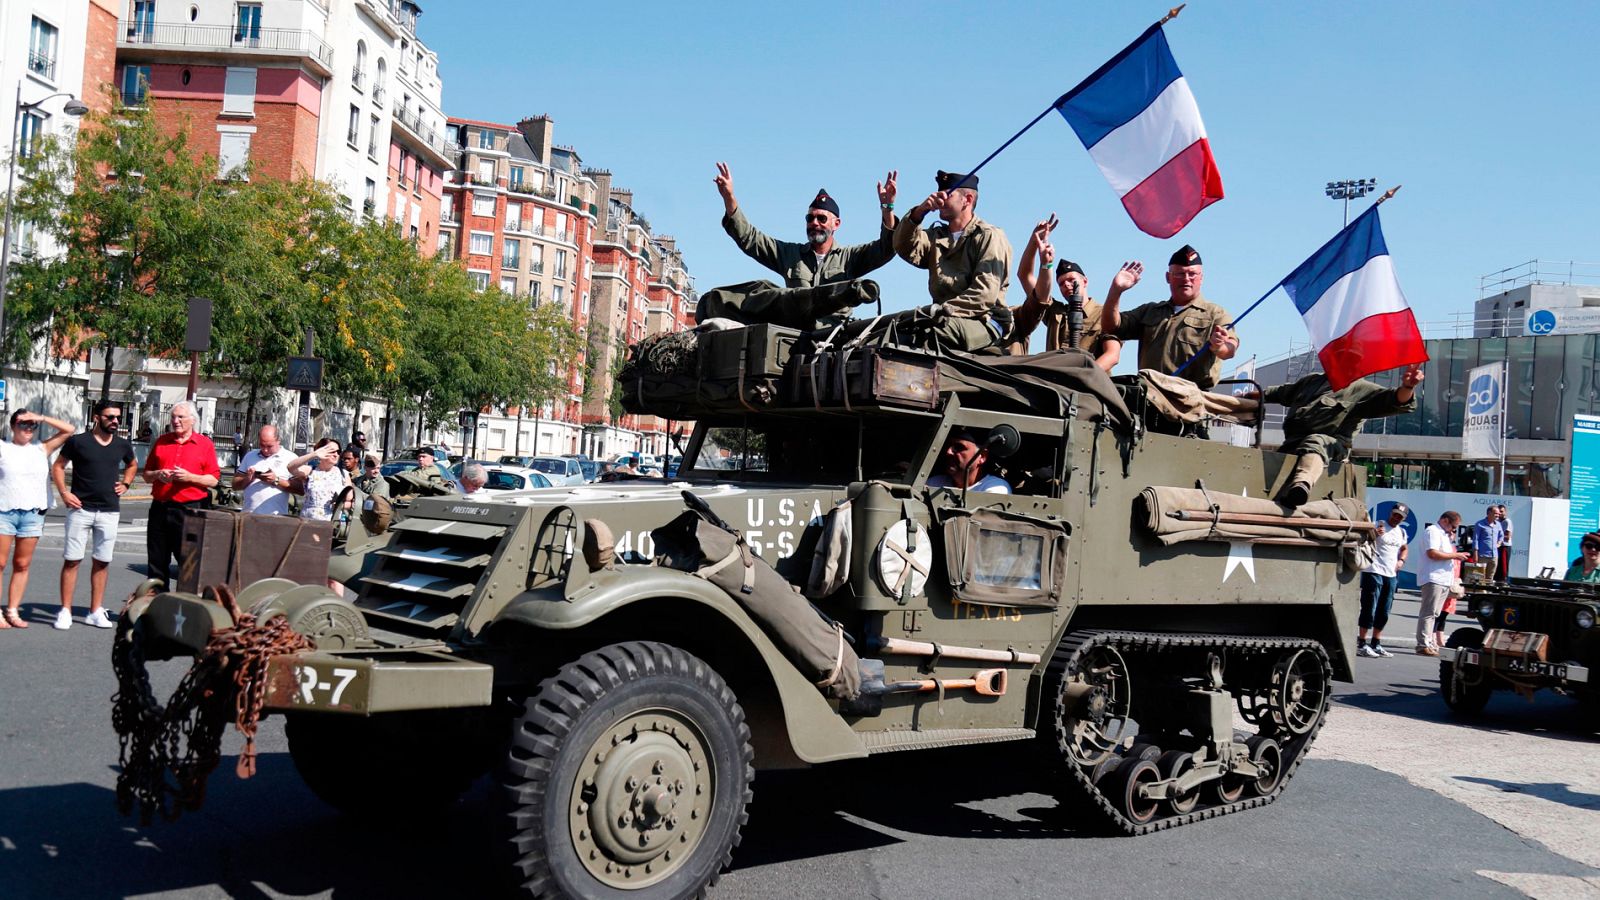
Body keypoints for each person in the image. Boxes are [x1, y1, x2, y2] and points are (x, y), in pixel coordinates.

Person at [1258, 364, 1423, 507]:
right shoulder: (1311, 381)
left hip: (1332, 448)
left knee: (1316, 441)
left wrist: (1407, 387)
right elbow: (1282, 392)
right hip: (1293, 445)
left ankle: (1302, 484)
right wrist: (1256, 395)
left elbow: (1395, 400)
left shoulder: (1360, 389)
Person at [893, 170, 1014, 353]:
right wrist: (919, 212)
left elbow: (984, 294)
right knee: (897, 329)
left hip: (983, 321)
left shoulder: (988, 236)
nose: (940, 199)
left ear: (968, 199)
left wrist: (938, 311)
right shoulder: (938, 237)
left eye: (947, 194)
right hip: (942, 318)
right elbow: (902, 246)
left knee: (927, 333)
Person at [1100, 244, 1239, 391]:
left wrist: (1219, 346)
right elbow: (1111, 326)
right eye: (1179, 274)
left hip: (1192, 400)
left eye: (1192, 274)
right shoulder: (1150, 311)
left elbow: (1230, 349)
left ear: (1201, 278)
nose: (1186, 279)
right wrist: (1116, 290)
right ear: (1168, 277)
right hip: (1149, 396)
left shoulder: (1215, 314)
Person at [51, 400, 137, 630]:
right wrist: (64, 493)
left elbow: (132, 464)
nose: (115, 421)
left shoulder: (122, 444)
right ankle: (65, 611)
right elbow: (58, 466)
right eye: (110, 417)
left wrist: (126, 484)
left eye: (118, 417)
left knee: (102, 562)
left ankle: (95, 611)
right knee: (72, 561)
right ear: (97, 417)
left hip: (109, 510)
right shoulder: (79, 442)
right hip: (80, 509)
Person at [1007, 214, 1123, 371]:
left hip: (1091, 387)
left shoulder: (1105, 315)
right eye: (1061, 283)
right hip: (1055, 385)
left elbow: (1112, 355)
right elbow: (1024, 275)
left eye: (1071, 280)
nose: (1067, 285)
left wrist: (1084, 377)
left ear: (1085, 281)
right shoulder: (1056, 312)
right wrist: (1035, 242)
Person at [0, 410, 77, 629]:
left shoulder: (41, 449)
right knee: (0, 563)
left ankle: (12, 610)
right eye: (23, 424)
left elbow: (69, 430)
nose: (28, 429)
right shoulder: (3, 448)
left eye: (32, 426)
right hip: (4, 511)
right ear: (13, 425)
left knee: (22, 564)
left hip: (32, 513)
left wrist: (41, 418)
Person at [141, 401, 221, 590]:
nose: (175, 421)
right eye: (173, 417)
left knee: (188, 562)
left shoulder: (204, 444)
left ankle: (183, 606)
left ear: (192, 420)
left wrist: (190, 477)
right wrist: (158, 474)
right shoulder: (162, 441)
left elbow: (213, 480)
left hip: (189, 509)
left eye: (180, 417)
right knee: (157, 560)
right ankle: (157, 603)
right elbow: (146, 475)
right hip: (160, 507)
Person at [1356, 504, 1410, 658]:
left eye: (1400, 516)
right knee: (1369, 607)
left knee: (1385, 610)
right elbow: (1362, 540)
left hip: (1391, 574)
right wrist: (1374, 534)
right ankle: (1362, 642)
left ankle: (1376, 643)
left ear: (1404, 518)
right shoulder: (1378, 524)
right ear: (1390, 513)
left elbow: (1405, 548)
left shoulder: (1401, 531)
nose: (1396, 518)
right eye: (1395, 514)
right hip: (1373, 570)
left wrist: (1401, 561)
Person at [1417, 511, 1471, 656]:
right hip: (1433, 578)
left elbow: (1446, 553)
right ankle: (1422, 644)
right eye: (1453, 526)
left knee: (1435, 613)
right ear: (1445, 521)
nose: (1454, 530)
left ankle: (1429, 642)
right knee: (1428, 613)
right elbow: (1432, 554)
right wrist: (1456, 555)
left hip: (1443, 579)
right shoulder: (1432, 531)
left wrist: (1452, 542)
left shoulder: (1444, 535)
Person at [231, 425, 298, 515]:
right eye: (262, 445)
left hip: (276, 518)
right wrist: (247, 479)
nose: (265, 450)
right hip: (248, 516)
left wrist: (276, 480)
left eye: (270, 446)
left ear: (278, 441)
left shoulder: (290, 458)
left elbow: (300, 489)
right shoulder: (250, 456)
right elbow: (235, 485)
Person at [927, 428, 1011, 494]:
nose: (949, 452)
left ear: (982, 456)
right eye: (949, 446)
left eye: (959, 447)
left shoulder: (995, 488)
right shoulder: (933, 484)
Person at [292, 438, 351, 521]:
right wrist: (313, 455)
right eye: (332, 451)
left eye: (338, 452)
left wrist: (339, 505)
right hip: (308, 522)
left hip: (331, 524)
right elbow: (291, 467)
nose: (336, 455)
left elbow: (350, 501)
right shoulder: (311, 471)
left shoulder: (343, 474)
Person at [1472, 506, 1504, 582]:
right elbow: (1475, 540)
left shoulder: (1498, 524)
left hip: (1494, 556)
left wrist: (1499, 543)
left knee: (1490, 578)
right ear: (1489, 513)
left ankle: (1488, 592)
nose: (1497, 515)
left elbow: (1501, 536)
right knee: (1479, 577)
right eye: (1495, 513)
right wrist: (1475, 554)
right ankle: (1479, 592)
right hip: (1482, 555)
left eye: (1498, 514)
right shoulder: (1479, 524)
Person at [1496, 504, 1512, 583]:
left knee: (1504, 567)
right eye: (1499, 512)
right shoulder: (1497, 522)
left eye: (1502, 511)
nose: (1500, 513)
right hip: (1499, 546)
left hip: (1504, 547)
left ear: (1505, 512)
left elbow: (1508, 536)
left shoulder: (1507, 521)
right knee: (1498, 567)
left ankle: (1504, 582)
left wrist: (1496, 537)